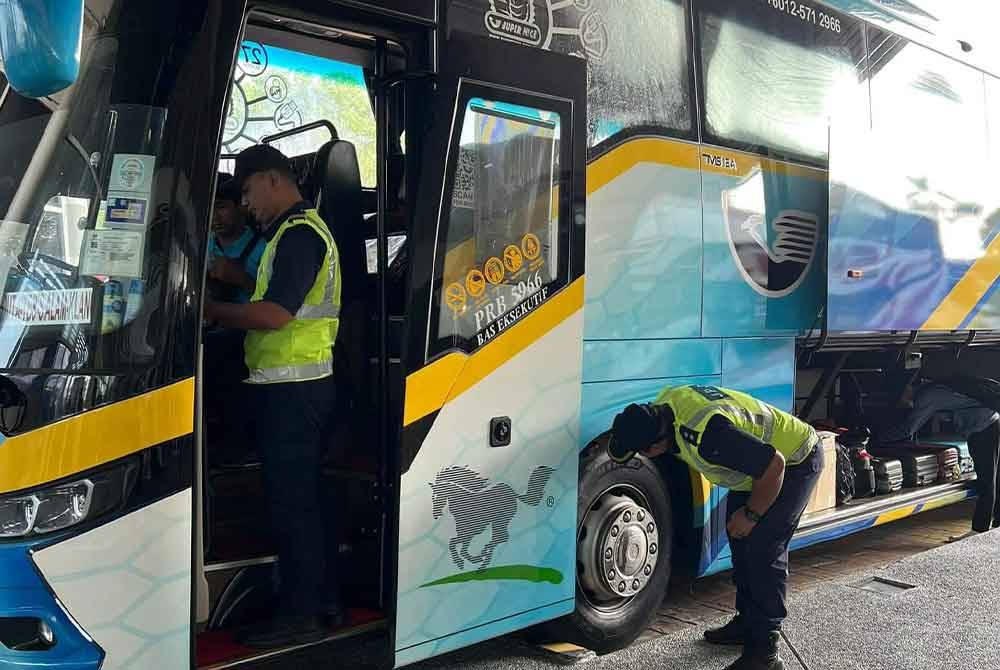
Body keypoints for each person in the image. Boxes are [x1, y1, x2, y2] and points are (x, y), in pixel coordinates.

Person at [205, 144, 342, 648]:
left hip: (294, 391)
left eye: (246, 192)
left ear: (272, 180)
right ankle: (321, 601)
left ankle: (300, 613)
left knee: (293, 505)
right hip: (292, 386)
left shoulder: (300, 235)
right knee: (302, 500)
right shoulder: (292, 232)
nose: (246, 204)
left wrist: (212, 311)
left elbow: (275, 314)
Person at [610, 384, 822, 670]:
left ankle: (765, 652)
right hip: (754, 472)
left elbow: (774, 465)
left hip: (795, 461)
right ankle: (747, 622)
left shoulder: (710, 437)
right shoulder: (664, 407)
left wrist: (752, 514)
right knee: (739, 540)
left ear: (655, 446)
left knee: (762, 549)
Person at [879, 377, 1000, 539]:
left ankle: (979, 530)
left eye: (898, 399)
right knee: (994, 478)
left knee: (986, 481)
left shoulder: (927, 397)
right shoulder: (933, 387)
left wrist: (878, 439)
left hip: (983, 428)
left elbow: (909, 428)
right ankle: (996, 525)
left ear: (905, 390)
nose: (899, 403)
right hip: (991, 421)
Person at [203, 176, 266, 465]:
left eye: (222, 207)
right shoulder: (203, 246)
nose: (215, 216)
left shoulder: (261, 249)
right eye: (210, 208)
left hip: (244, 334)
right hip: (207, 328)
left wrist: (238, 277)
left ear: (241, 208)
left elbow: (275, 301)